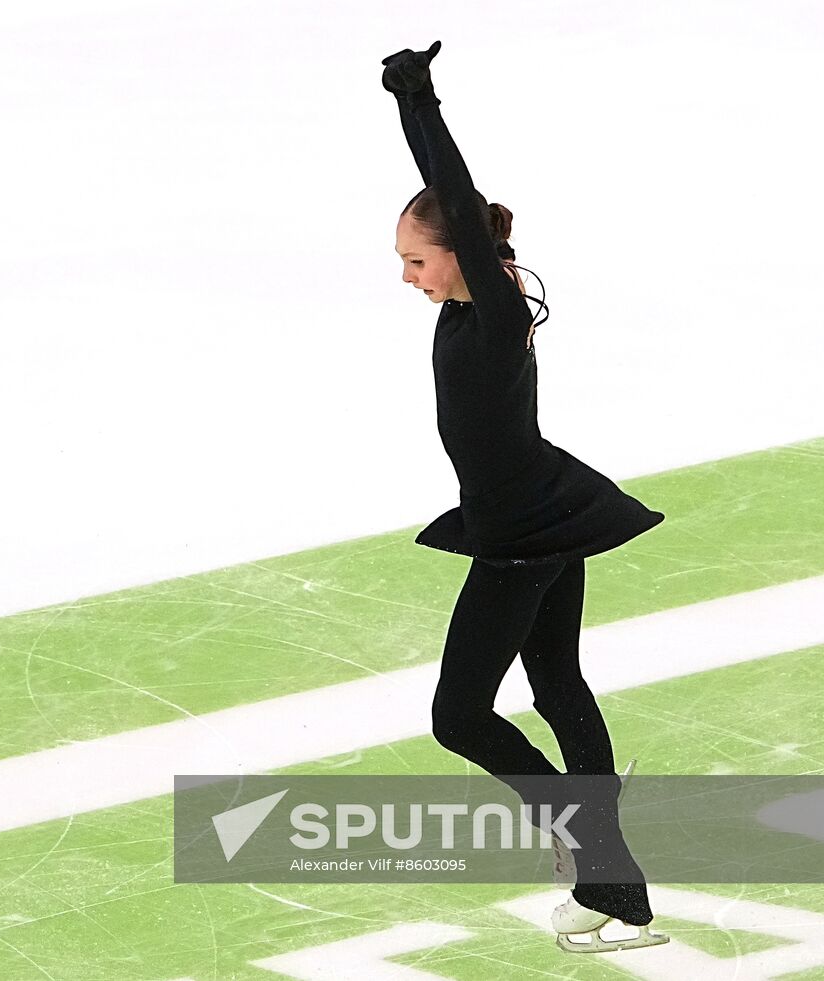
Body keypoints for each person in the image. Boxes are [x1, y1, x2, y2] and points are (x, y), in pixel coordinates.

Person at [381, 41, 669, 954]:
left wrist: (416, 97)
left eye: (415, 258)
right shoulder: (469, 308)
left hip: (520, 536)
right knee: (555, 682)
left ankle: (596, 854)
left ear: (459, 249)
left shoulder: (496, 308)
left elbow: (452, 189)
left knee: (458, 716)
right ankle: (614, 889)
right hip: (539, 515)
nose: (406, 276)